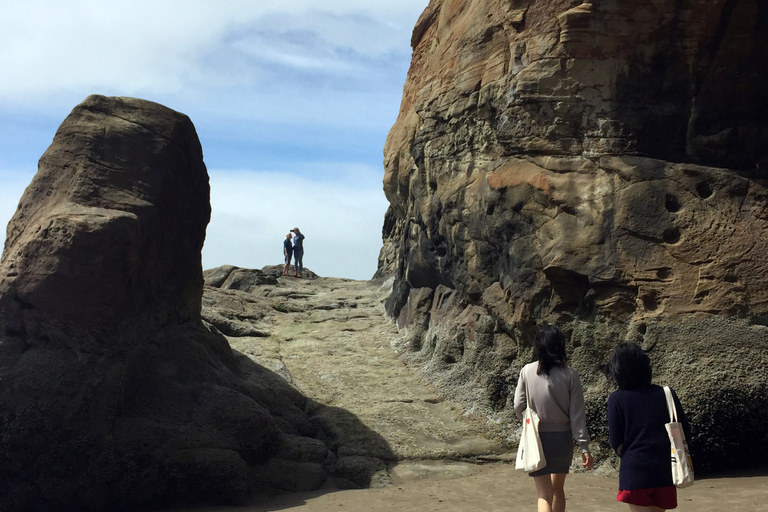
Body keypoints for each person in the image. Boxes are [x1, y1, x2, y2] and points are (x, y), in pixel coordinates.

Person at [514, 325, 593, 512]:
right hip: (562, 439)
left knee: (543, 494)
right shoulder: (570, 374)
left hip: (537, 438)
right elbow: (577, 413)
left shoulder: (527, 371)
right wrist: (584, 447)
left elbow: (518, 404)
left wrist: (527, 422)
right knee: (558, 490)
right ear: (560, 346)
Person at [606, 343, 692, 512]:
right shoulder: (667, 393)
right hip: (665, 470)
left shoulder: (616, 399)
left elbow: (615, 441)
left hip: (635, 471)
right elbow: (685, 432)